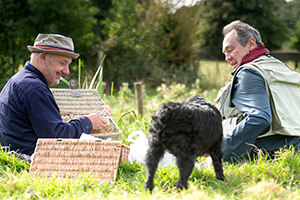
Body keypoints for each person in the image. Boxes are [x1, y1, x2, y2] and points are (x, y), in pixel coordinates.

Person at [0, 33, 111, 158]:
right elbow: (55, 137)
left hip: (17, 153)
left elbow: (49, 126)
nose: (66, 71)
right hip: (32, 159)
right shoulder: (34, 88)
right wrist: (88, 122)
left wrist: (97, 116)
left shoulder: (21, 80)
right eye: (63, 63)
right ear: (43, 57)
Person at [216, 20, 300, 162]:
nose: (227, 58)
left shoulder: (249, 72)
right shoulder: (282, 68)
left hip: (275, 151)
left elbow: (258, 118)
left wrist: (222, 149)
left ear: (251, 44)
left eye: (230, 50)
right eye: (224, 53)